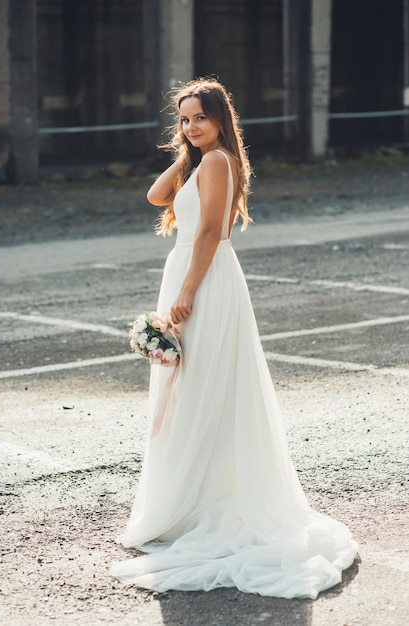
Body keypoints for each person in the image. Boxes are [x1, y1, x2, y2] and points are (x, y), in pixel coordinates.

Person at [111, 77, 358, 598]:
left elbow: (209, 234)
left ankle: (209, 500)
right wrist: (186, 153)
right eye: (184, 119)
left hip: (204, 277)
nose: (192, 126)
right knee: (190, 384)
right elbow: (154, 195)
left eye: (201, 117)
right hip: (188, 272)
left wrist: (187, 293)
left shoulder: (220, 161)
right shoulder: (202, 160)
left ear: (222, 118)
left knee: (205, 384)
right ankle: (194, 496)